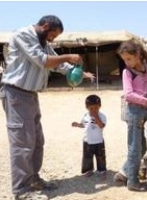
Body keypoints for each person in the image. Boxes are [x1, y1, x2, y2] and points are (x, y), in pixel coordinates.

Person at [0, 15, 94, 200]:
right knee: (22, 144)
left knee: (36, 141)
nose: (53, 39)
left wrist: (80, 72)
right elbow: (43, 60)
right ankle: (21, 191)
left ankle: (33, 179)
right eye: (53, 35)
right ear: (45, 26)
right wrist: (70, 56)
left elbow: (58, 63)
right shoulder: (23, 35)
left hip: (30, 95)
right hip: (16, 94)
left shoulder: (42, 41)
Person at [113, 39, 147, 192]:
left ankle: (124, 172)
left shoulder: (146, 65)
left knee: (144, 145)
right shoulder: (127, 72)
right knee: (134, 147)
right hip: (134, 112)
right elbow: (128, 95)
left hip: (145, 110)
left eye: (129, 58)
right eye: (124, 60)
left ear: (138, 55)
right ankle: (133, 182)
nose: (127, 63)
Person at [71, 94, 107, 177]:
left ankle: (102, 170)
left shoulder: (102, 116)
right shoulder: (85, 116)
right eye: (91, 108)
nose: (94, 110)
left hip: (99, 141)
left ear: (100, 106)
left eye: (96, 108)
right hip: (87, 140)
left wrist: (96, 117)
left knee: (100, 157)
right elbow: (83, 125)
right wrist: (77, 124)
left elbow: (101, 126)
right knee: (87, 157)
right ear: (87, 108)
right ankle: (89, 169)